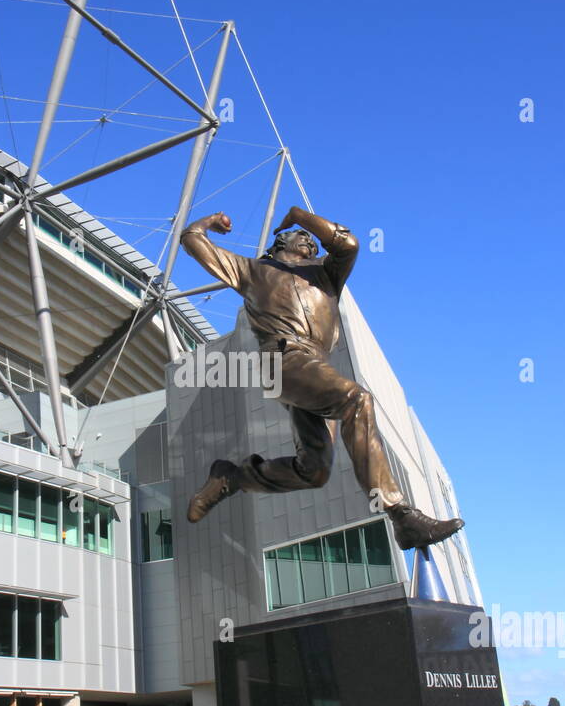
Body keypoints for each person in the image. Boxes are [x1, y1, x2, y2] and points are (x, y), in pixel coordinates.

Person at [179, 204, 464, 551]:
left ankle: (233, 477)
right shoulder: (252, 271)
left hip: (314, 366)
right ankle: (401, 516)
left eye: (315, 240)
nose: (312, 243)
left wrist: (301, 216)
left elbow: (349, 245)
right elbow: (192, 240)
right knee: (356, 399)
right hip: (282, 359)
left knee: (313, 471)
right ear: (278, 244)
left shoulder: (326, 274)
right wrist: (209, 222)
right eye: (304, 236)